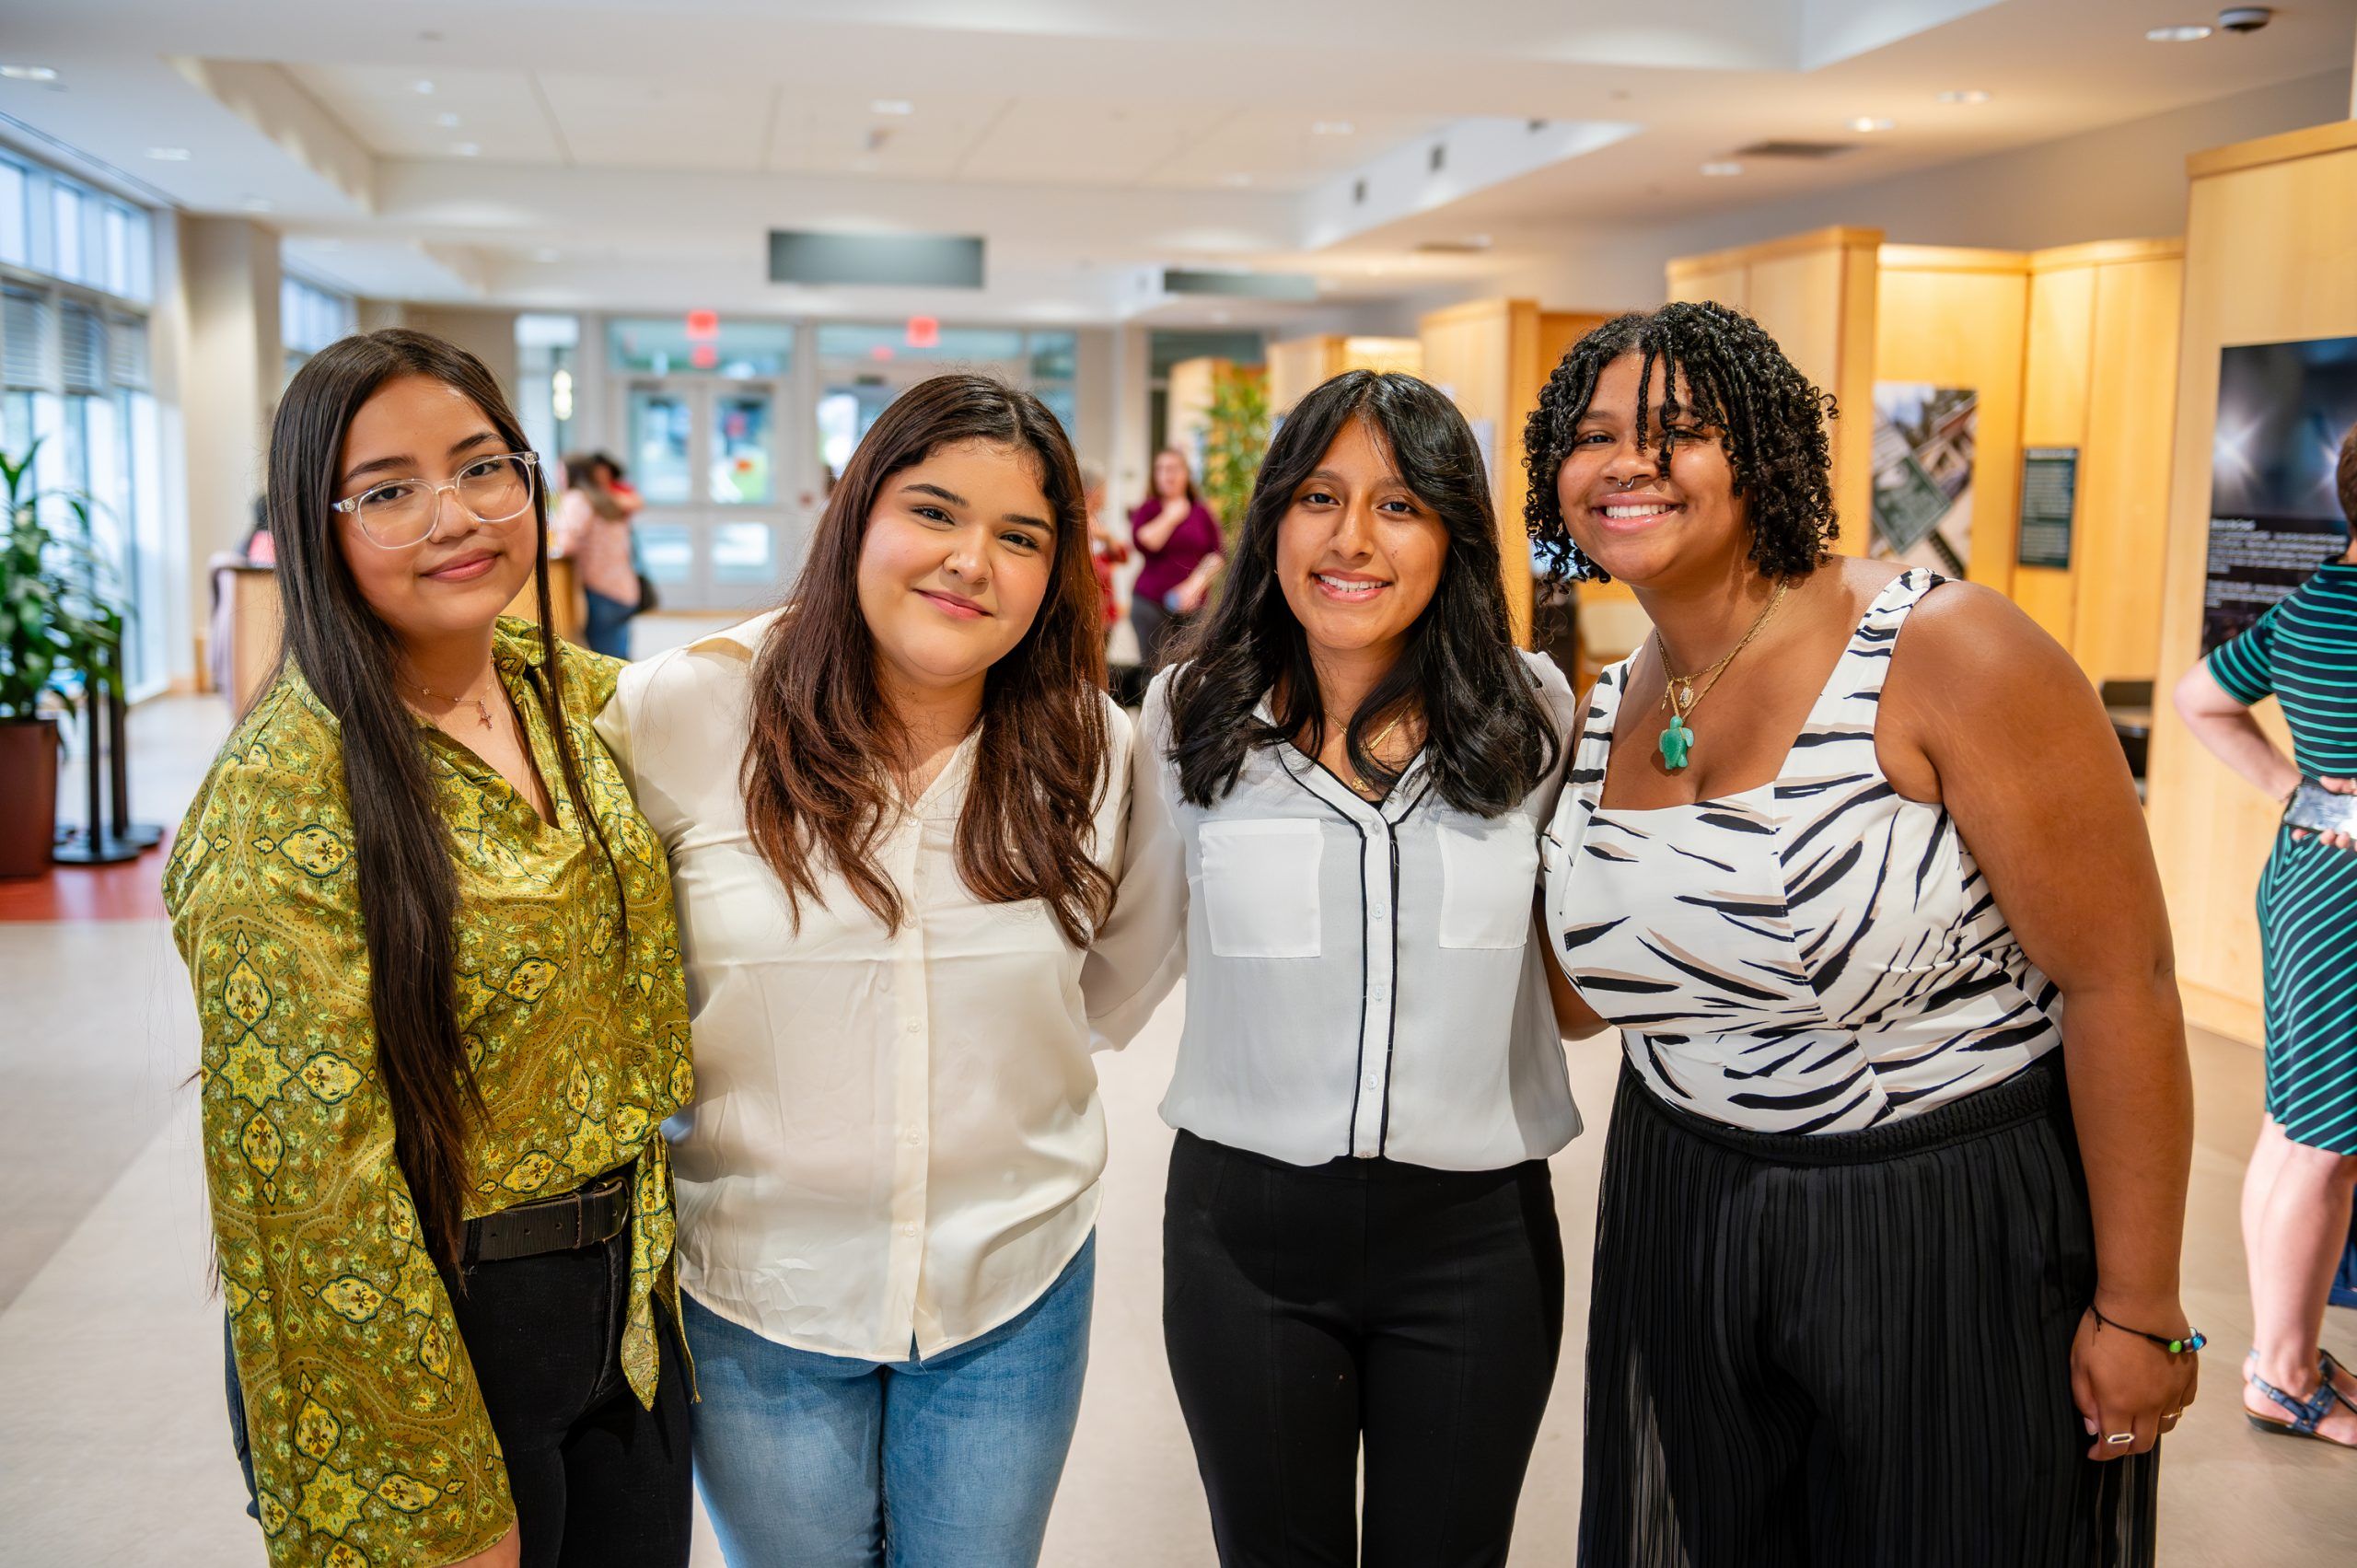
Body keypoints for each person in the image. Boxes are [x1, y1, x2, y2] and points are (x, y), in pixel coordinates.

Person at [1527, 303, 2199, 1567]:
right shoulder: (1605, 704)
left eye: (1676, 431)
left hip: (1939, 1218)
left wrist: (2142, 1305)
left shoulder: (1944, 649)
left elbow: (2124, 981)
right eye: (1594, 434)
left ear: (1768, 450)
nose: (1626, 461)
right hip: (1686, 1204)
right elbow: (1578, 1000)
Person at [164, 329, 696, 1568]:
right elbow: (307, 1197)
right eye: (389, 489)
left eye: (481, 466)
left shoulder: (547, 686)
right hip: (439, 1328)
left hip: (627, 1306)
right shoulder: (283, 795)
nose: (453, 516)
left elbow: (742, 684)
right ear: (316, 524)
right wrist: (424, 1486)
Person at [598, 374, 1128, 1568]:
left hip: (1011, 1285)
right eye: (933, 511)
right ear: (856, 514)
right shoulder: (694, 709)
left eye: (1021, 534)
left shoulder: (1094, 748)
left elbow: (1108, 984)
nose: (970, 560)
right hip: (758, 1294)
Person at [1086, 370, 1581, 1567]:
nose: (1351, 537)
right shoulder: (1191, 714)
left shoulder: (1535, 715)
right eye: (1319, 495)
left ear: (1454, 535)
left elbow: (1583, 977)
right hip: (1243, 1234)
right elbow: (1118, 961)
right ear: (1272, 519)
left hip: (1478, 1242)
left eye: (1400, 504)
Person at [2172, 419, 2357, 1449]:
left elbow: (2201, 698)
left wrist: (2297, 790)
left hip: (2306, 872)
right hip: (2348, 897)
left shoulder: (2314, 604)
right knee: (2326, 1150)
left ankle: (2277, 1354)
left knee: (2294, 1129)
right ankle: (2285, 1378)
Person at [1127, 446, 1224, 668]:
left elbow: (1217, 553)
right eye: (1160, 469)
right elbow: (1145, 542)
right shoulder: (1149, 509)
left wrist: (1194, 586)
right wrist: (1171, 515)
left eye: (1172, 469)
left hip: (1193, 606)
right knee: (1154, 671)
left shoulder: (1200, 512)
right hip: (1150, 604)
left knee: (1190, 669)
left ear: (1185, 473)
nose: (1166, 475)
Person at [553, 449, 642, 658]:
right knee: (620, 658)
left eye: (561, 471)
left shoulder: (577, 499)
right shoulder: (606, 500)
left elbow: (567, 545)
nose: (558, 477)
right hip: (624, 589)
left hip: (601, 592)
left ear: (572, 474)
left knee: (606, 662)